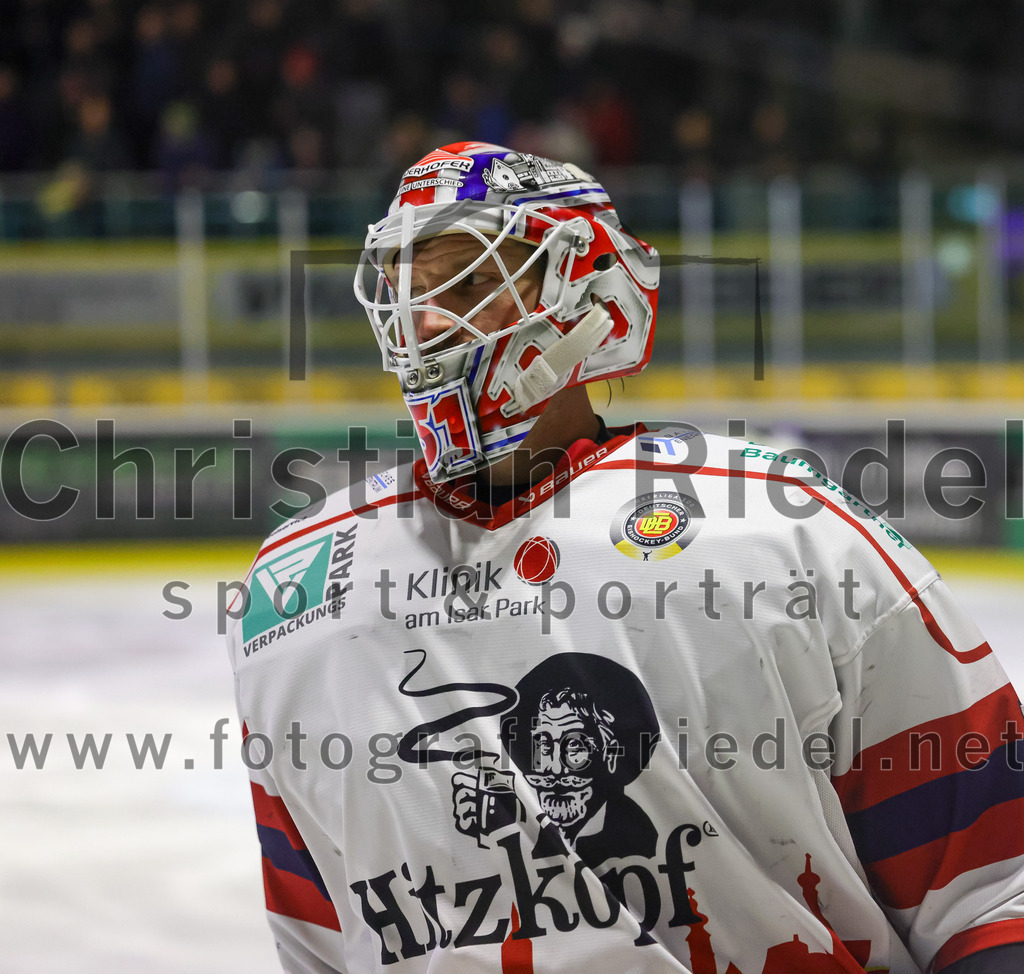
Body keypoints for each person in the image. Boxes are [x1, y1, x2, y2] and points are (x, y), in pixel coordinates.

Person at [227, 141, 1024, 973]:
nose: (424, 321)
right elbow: (322, 946)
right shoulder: (294, 591)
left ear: (587, 293)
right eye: (409, 289)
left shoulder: (782, 532)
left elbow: (991, 889)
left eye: (466, 283)